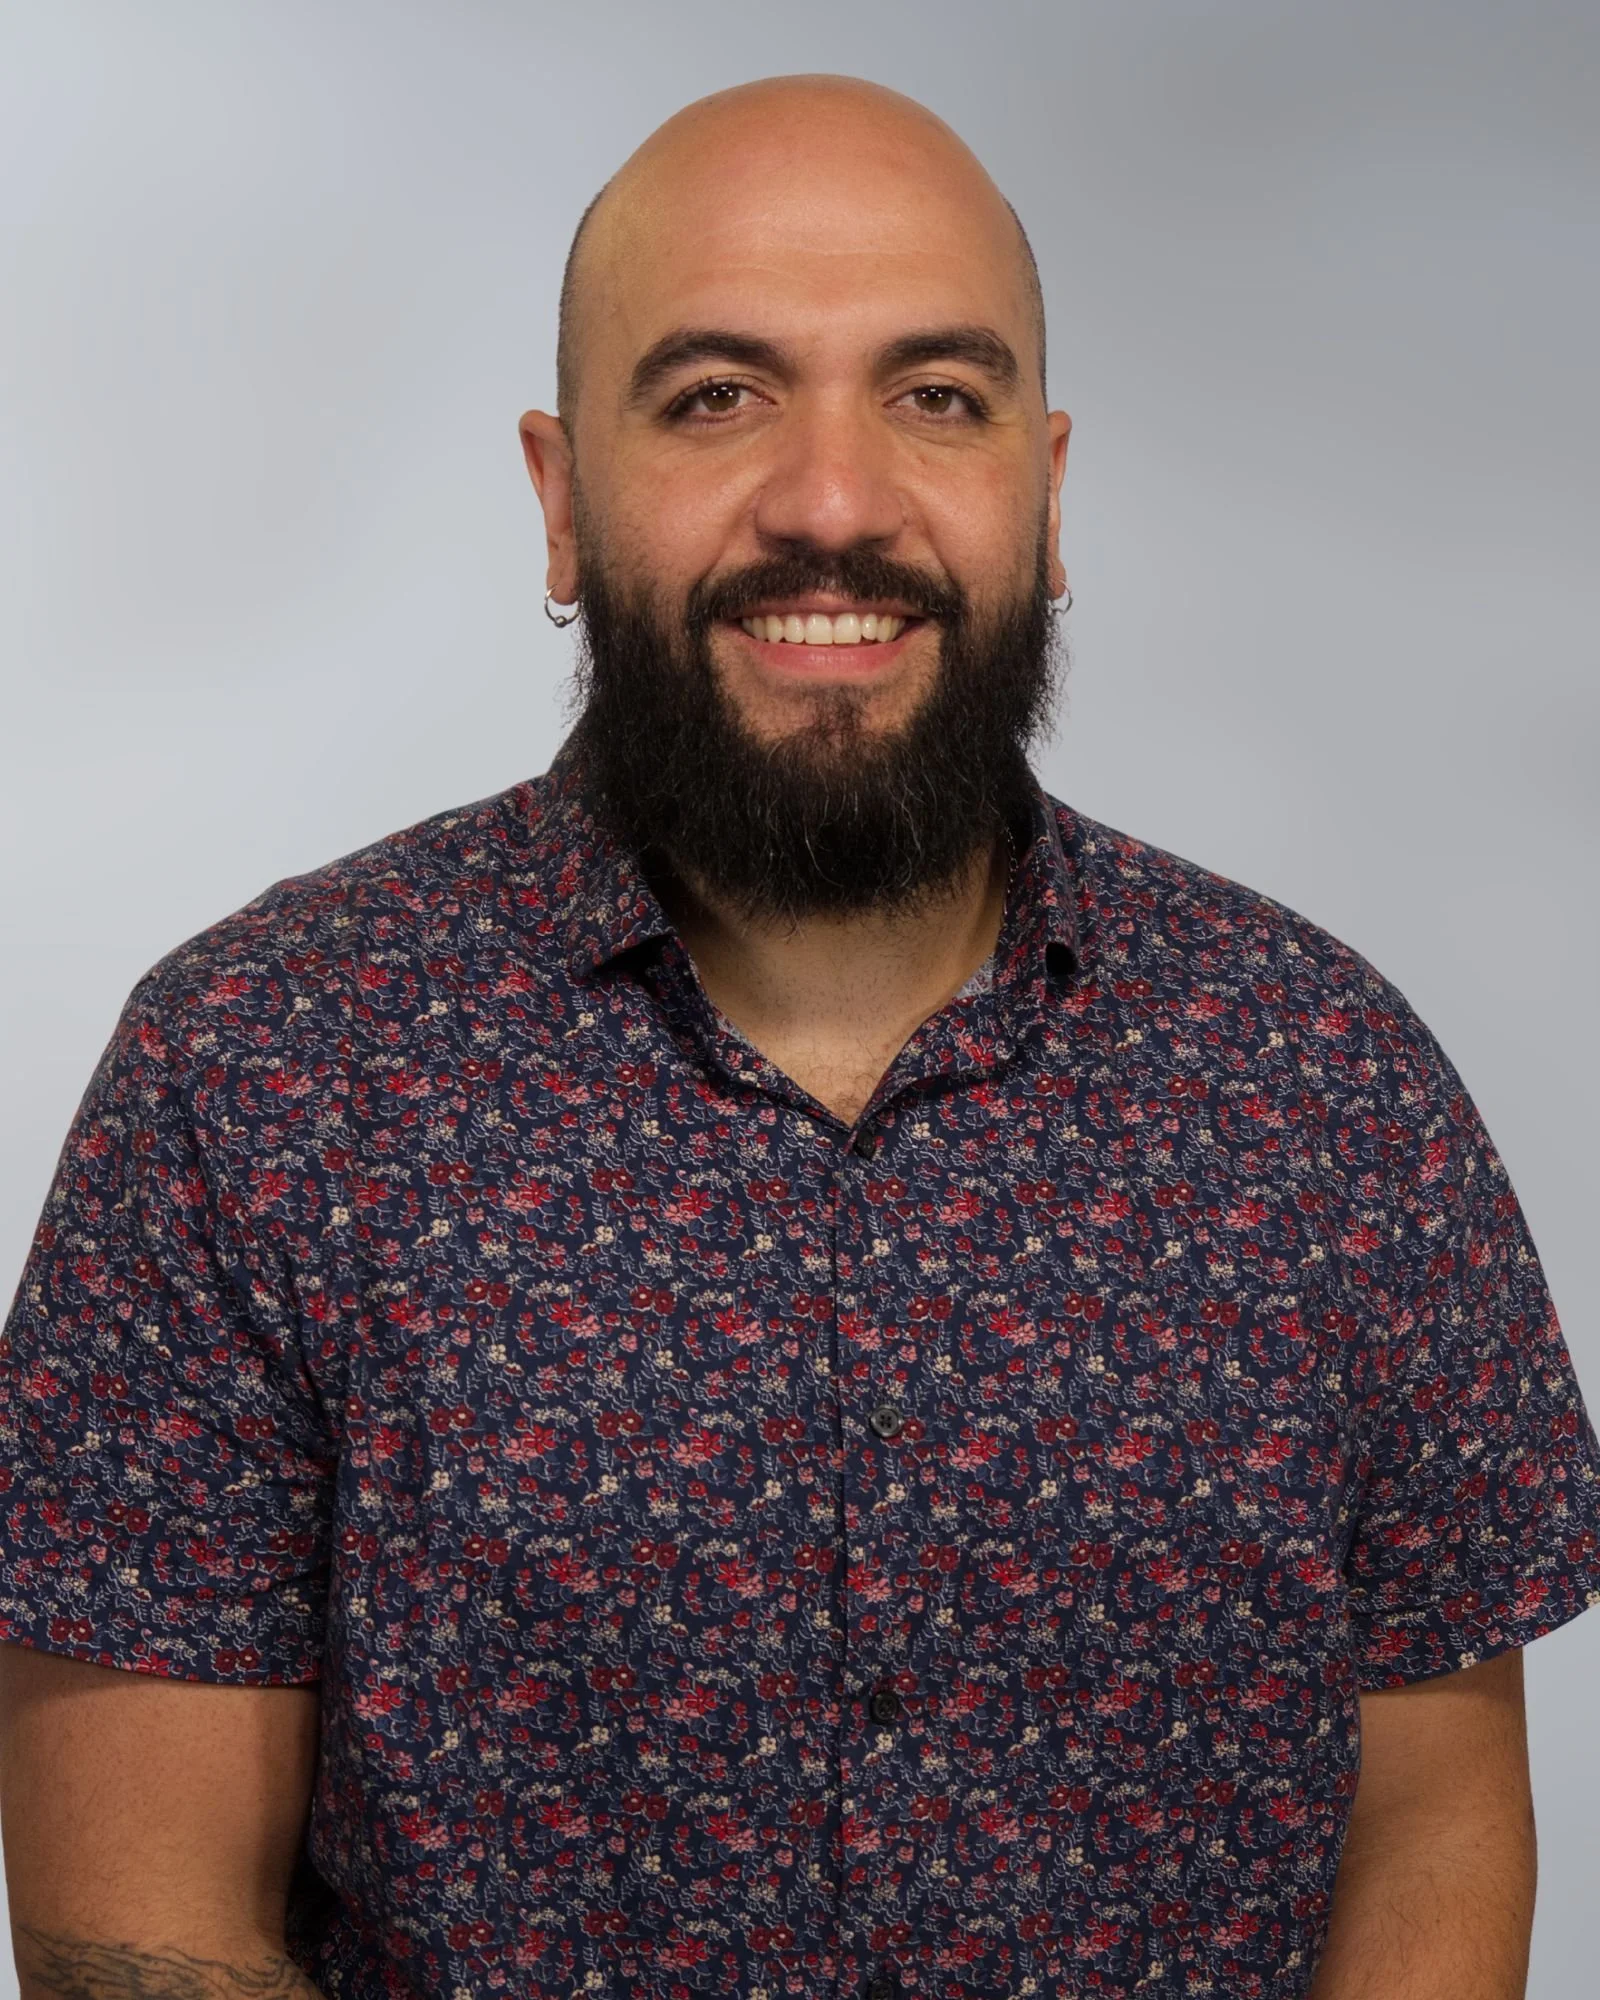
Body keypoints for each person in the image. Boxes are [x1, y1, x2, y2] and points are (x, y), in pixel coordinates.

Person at [1, 72, 1595, 2000]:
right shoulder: (252, 1078)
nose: (833, 504)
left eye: (937, 397)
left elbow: (1429, 1819)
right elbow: (140, 1928)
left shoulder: (1333, 1090)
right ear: (562, 495)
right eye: (716, 398)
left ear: (1049, 484)